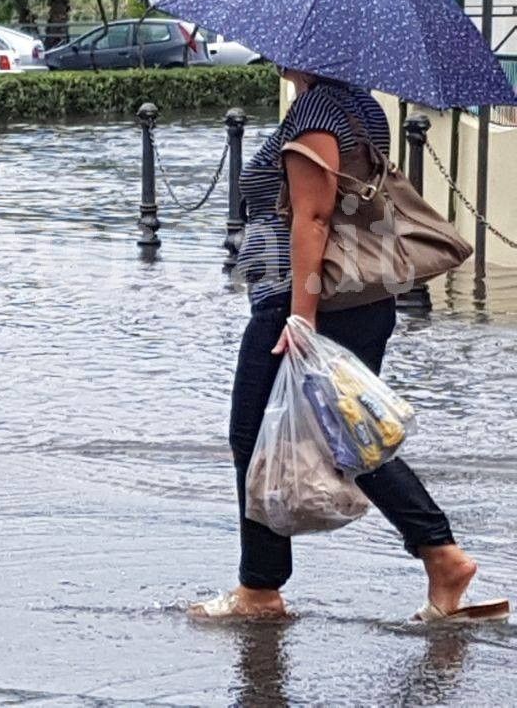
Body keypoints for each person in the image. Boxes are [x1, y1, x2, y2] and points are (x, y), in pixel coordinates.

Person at [191, 67, 500, 622]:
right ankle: (440, 556)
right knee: (348, 435)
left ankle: (261, 590)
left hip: (303, 301)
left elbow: (312, 218)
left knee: (256, 432)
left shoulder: (314, 113)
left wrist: (301, 320)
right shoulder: (361, 107)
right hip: (360, 303)